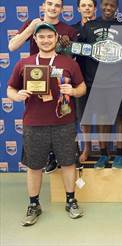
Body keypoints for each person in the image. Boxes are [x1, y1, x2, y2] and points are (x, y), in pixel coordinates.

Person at [7, 22, 86, 226]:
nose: (45, 40)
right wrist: (17, 96)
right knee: (34, 166)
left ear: (56, 38)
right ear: (35, 39)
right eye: (41, 37)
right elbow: (10, 89)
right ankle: (34, 204)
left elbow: (82, 87)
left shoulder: (68, 63)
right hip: (34, 123)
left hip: (64, 122)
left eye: (49, 37)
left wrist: (74, 92)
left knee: (68, 163)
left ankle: (71, 200)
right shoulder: (25, 64)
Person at [8, 0, 78, 174]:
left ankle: (63, 155)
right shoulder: (33, 23)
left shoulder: (68, 30)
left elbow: (72, 60)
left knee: (63, 117)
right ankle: (46, 157)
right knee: (37, 120)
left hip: (59, 81)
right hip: (37, 77)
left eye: (57, 5)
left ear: (62, 9)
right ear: (44, 6)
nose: (53, 8)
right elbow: (12, 46)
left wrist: (66, 47)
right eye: (50, 4)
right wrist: (31, 28)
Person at [77, 0, 122, 169]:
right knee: (101, 117)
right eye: (105, 4)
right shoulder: (90, 26)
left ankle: (120, 154)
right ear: (100, 5)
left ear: (116, 8)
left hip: (116, 79)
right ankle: (103, 154)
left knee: (119, 117)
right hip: (94, 80)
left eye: (112, 5)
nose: (108, 8)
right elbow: (79, 50)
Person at [71, 0, 97, 163]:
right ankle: (86, 148)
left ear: (95, 8)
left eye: (90, 5)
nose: (87, 8)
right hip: (81, 79)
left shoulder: (101, 27)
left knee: (105, 116)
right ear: (78, 9)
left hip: (101, 77)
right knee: (84, 117)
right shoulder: (72, 30)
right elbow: (69, 54)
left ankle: (104, 150)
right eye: (84, 5)